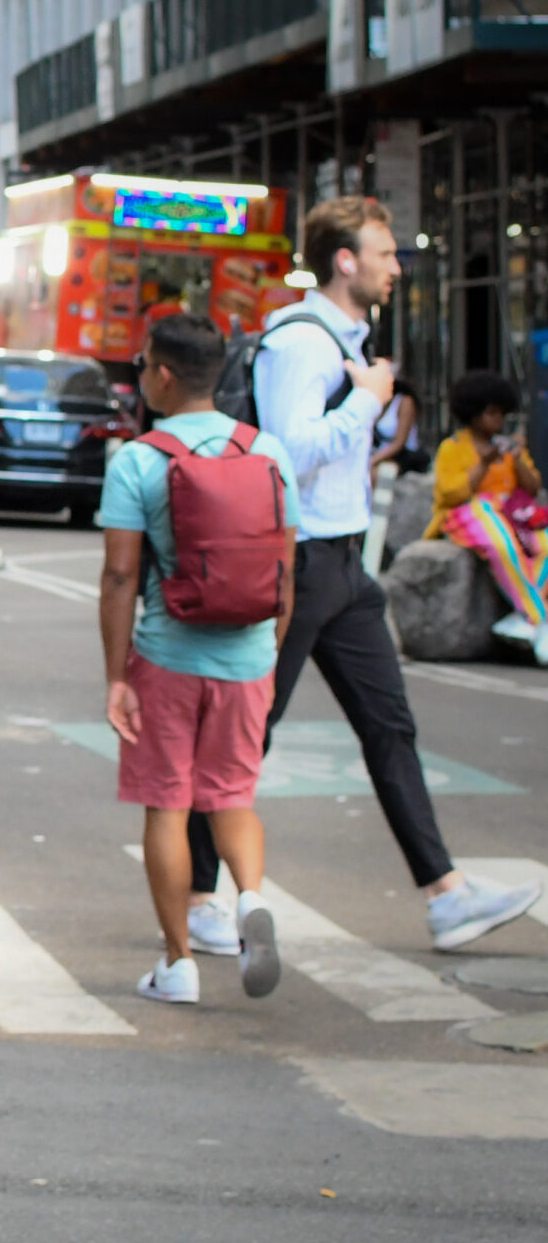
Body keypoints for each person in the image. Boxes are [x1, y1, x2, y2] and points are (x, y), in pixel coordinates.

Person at [188, 197, 541, 954]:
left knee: (391, 726)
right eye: (383, 252)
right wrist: (367, 403)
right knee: (247, 735)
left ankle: (445, 894)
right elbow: (288, 447)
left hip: (346, 567)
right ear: (344, 260)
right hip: (296, 565)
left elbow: (346, 443)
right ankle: (195, 897)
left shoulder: (350, 340)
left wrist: (373, 402)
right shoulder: (303, 342)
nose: (395, 265)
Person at [99, 315, 296, 1004]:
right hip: (246, 658)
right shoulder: (267, 450)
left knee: (168, 805)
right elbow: (285, 571)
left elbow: (121, 576)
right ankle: (247, 900)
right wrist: (266, 654)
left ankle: (178, 962)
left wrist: (117, 675)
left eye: (143, 363)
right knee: (233, 798)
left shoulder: (137, 460)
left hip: (168, 658)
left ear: (164, 374)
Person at [424, 369, 546, 664]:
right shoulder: (452, 448)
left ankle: (528, 617)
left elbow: (532, 488)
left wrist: (517, 459)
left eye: (502, 413)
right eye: (492, 413)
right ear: (474, 413)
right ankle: (537, 618)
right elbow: (451, 494)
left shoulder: (510, 448)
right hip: (470, 514)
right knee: (502, 544)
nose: (499, 420)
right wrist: (485, 463)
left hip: (513, 515)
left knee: (544, 544)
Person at [370, 375, 424, 475]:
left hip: (404, 456)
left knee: (378, 472)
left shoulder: (405, 402)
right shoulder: (380, 401)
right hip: (379, 452)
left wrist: (372, 460)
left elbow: (399, 443)